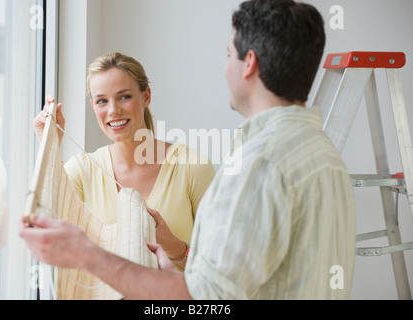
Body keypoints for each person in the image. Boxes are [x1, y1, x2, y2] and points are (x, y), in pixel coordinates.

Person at [20, 0, 356, 300]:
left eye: (229, 54)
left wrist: (89, 256)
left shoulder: (260, 164)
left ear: (249, 63)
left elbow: (207, 300)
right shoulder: (324, 154)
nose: (113, 111)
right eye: (101, 101)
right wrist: (172, 271)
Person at [31, 53, 215, 297]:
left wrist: (175, 248)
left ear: (146, 96)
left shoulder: (192, 167)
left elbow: (222, 271)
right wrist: (49, 146)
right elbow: (43, 216)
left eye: (124, 97)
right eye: (101, 101)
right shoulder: (84, 169)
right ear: (93, 106)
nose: (113, 111)